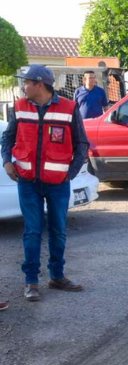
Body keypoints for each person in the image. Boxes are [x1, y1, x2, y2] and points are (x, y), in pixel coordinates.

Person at [1, 64, 87, 302]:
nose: (23, 86)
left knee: (58, 231)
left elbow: (82, 144)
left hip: (58, 182)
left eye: (26, 82)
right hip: (27, 181)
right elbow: (7, 137)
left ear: (40, 84)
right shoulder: (19, 107)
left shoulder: (69, 108)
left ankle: (57, 276)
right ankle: (31, 281)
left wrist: (70, 172)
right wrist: (7, 162)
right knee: (32, 231)